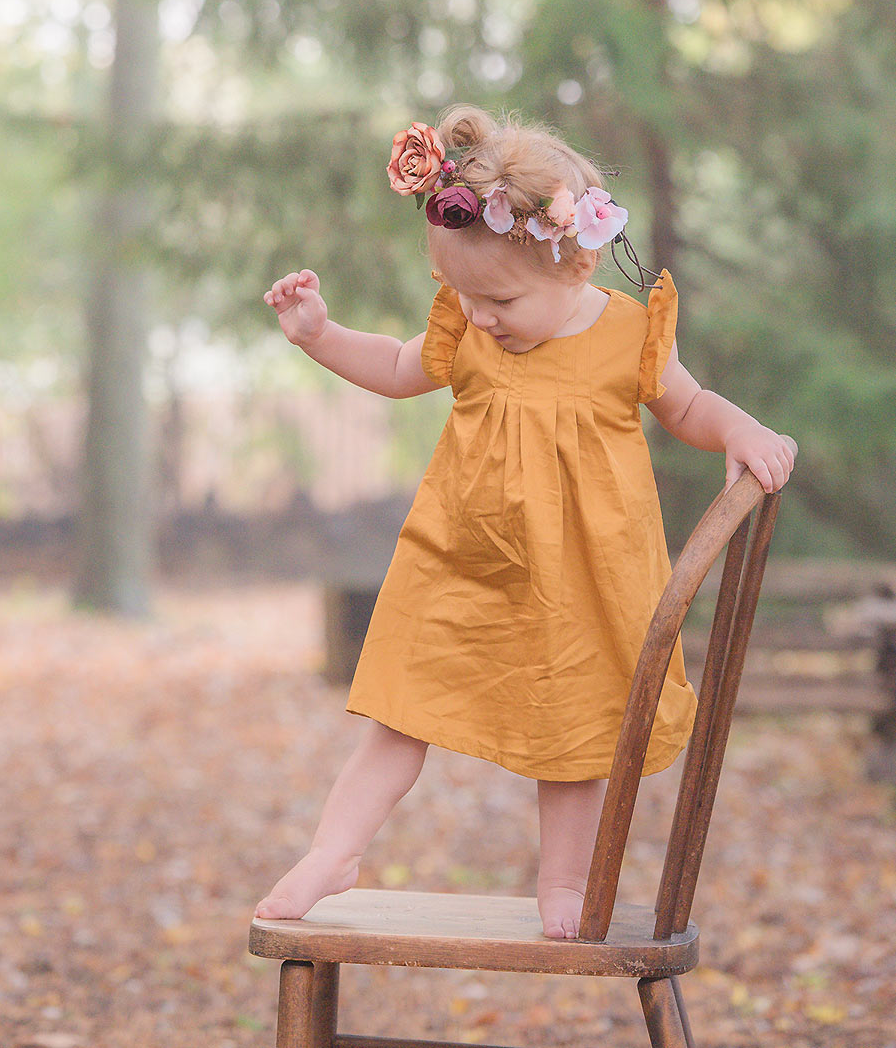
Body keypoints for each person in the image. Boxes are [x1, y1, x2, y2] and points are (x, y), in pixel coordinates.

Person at [255, 106, 796, 940]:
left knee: (574, 726)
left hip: (583, 570)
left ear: (575, 264)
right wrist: (319, 337)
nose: (478, 316)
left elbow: (685, 405)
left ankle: (564, 883)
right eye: (463, 295)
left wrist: (740, 431)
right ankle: (334, 851)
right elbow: (399, 369)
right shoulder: (469, 330)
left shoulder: (623, 333)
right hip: (461, 559)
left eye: (498, 298)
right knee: (403, 708)